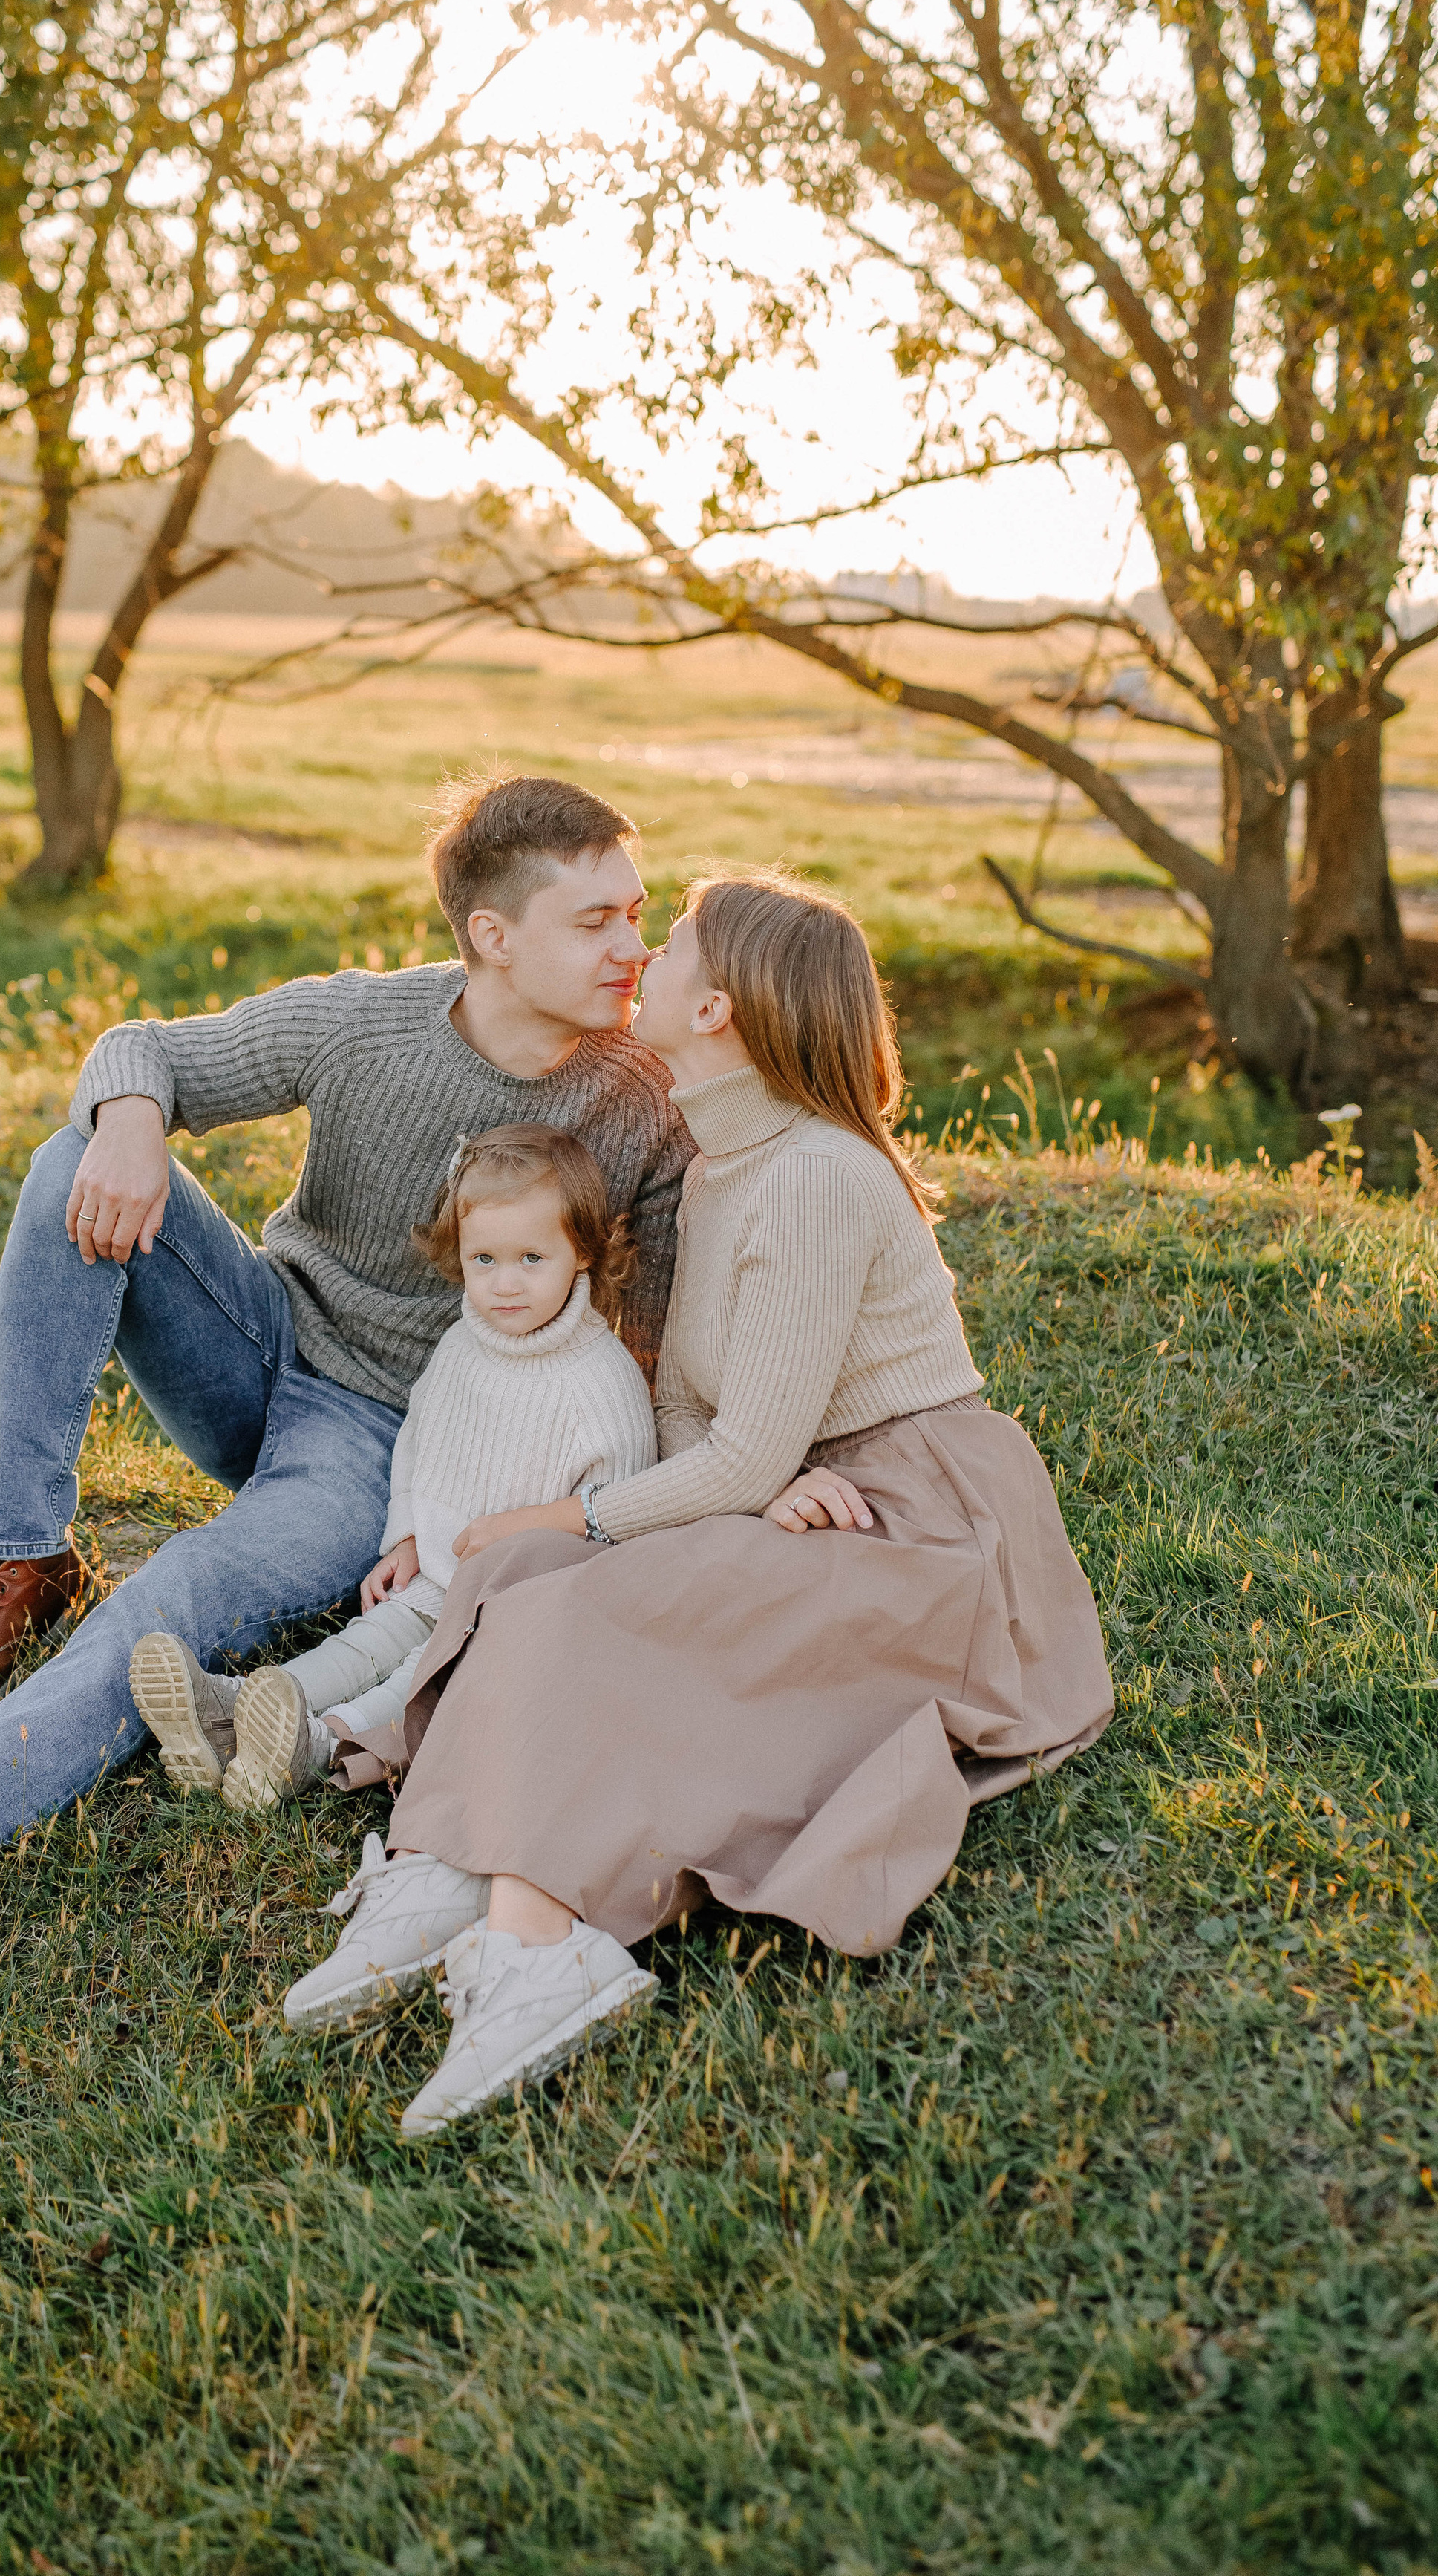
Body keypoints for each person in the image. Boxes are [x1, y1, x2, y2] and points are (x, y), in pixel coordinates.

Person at [0, 777, 692, 1976]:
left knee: (172, 1598)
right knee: (74, 1151)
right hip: (262, 1346)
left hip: (393, 1453)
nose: (633, 946)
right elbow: (143, 1049)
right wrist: (135, 1125)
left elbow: (661, 1354)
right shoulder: (368, 1021)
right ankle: (20, 1555)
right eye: (596, 920)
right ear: (493, 937)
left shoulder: (644, 1104)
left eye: (636, 913)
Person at [278, 873, 1114, 2133]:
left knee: (573, 1596)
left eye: (666, 943)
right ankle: (441, 1862)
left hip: (915, 1526)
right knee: (517, 1585)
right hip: (794, 1484)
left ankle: (539, 1945)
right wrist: (723, 1490)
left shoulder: (818, 1177)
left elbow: (738, 1458)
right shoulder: (720, 1163)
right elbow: (688, 1416)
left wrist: (593, 1516)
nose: (641, 955)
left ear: (716, 1006)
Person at [127, 1121, 656, 1821]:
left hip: (506, 1609)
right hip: (432, 1573)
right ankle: (234, 1707)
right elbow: (419, 1443)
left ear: (582, 1252)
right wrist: (405, 1536)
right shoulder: (465, 1344)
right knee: (363, 1643)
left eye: (533, 1258)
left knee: (413, 1678)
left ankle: (315, 1746)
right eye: (485, 1260)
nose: (505, 1285)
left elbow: (611, 1523)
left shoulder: (601, 1382)